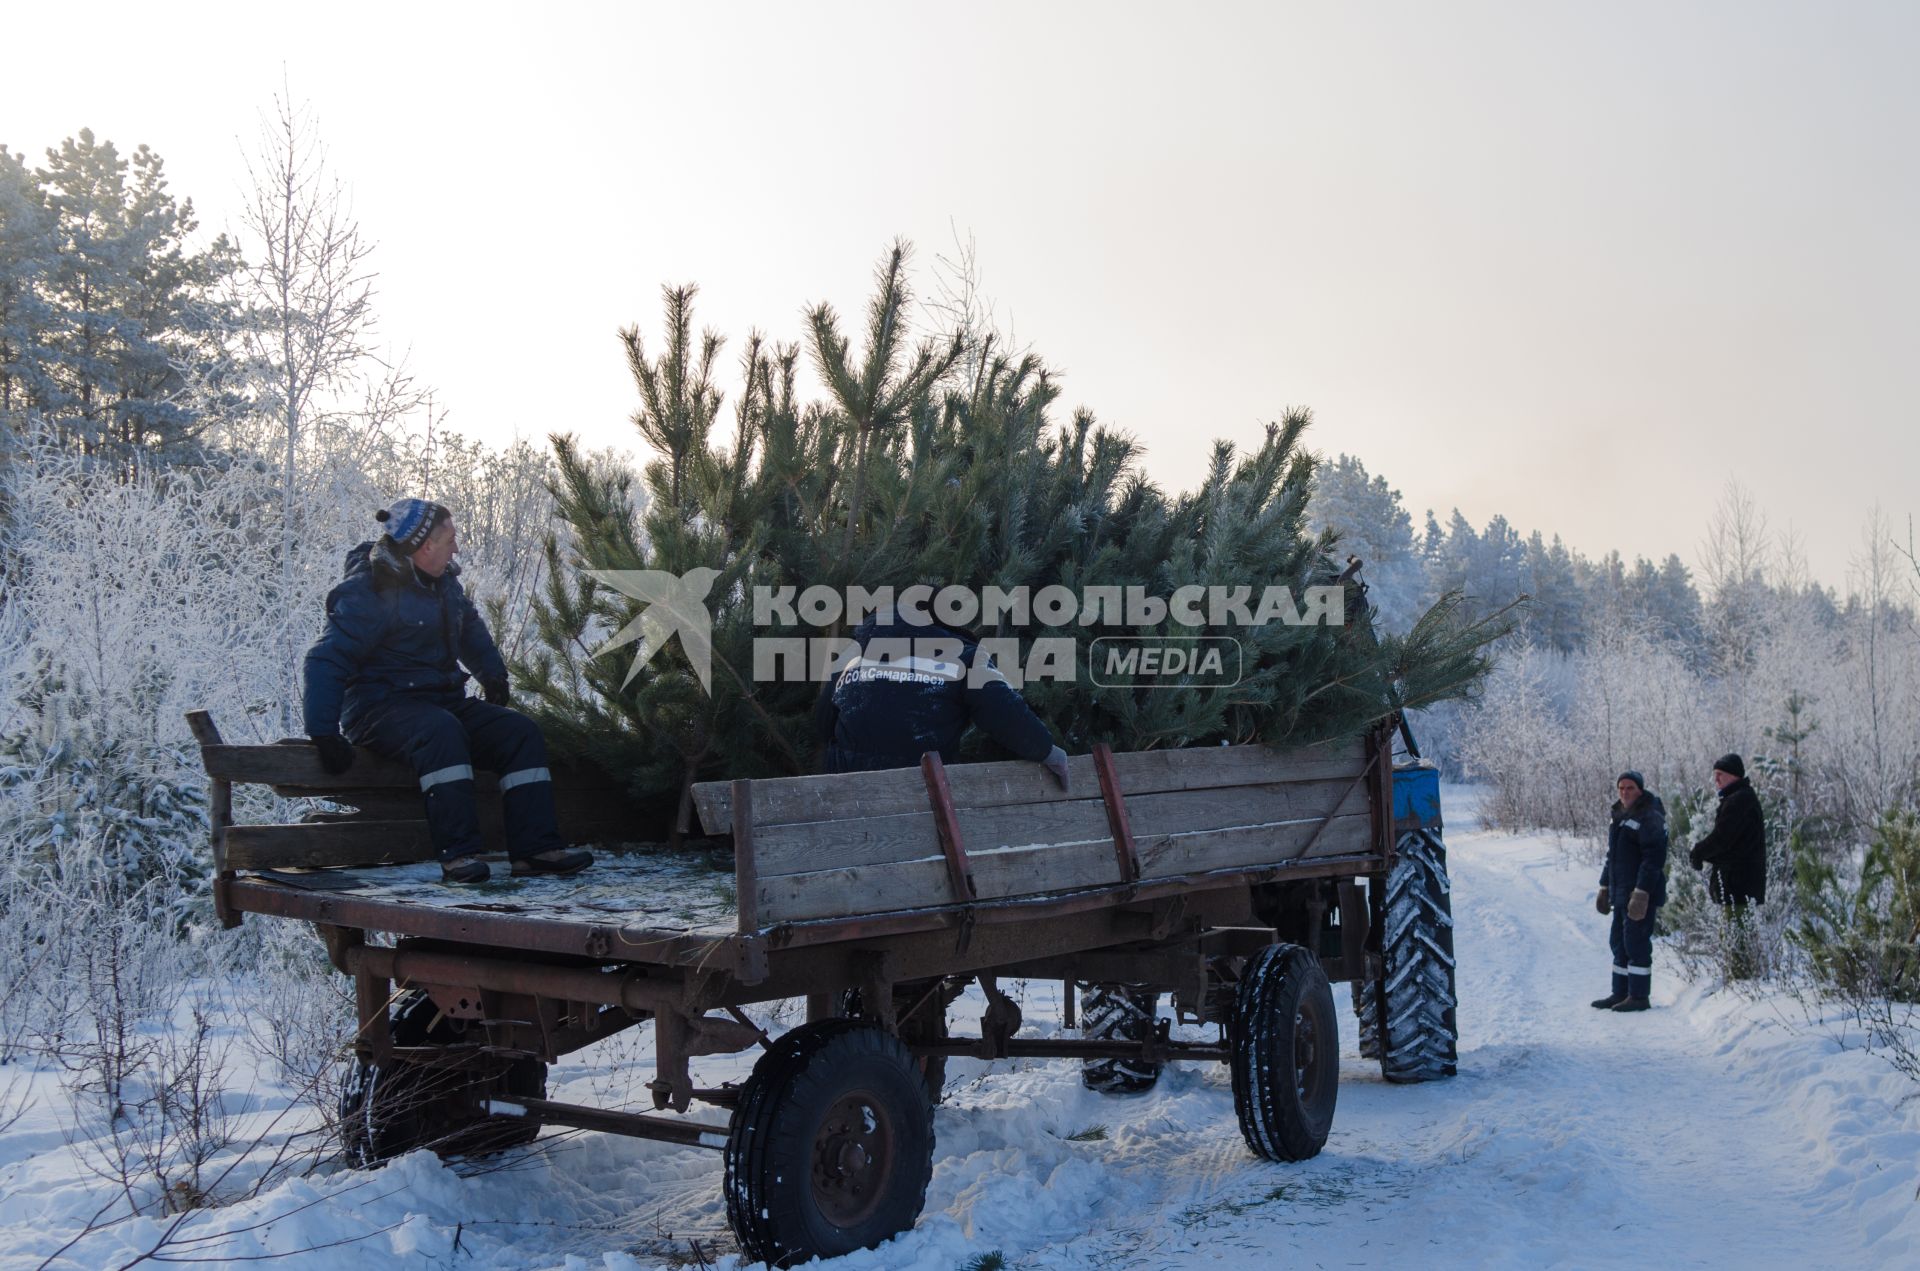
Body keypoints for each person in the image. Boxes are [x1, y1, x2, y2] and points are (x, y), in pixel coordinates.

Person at [303, 499, 593, 884]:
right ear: (425, 546)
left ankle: (536, 850)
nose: (456, 547)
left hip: (441, 703)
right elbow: (325, 660)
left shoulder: (444, 585)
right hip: (379, 709)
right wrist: (323, 731)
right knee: (441, 731)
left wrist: (493, 675)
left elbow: (470, 627)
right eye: (450, 539)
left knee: (518, 732)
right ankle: (459, 855)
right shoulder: (368, 592)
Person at [816, 598, 1071, 787]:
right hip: (919, 793)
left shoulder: (853, 655)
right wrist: (1048, 752)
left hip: (843, 791)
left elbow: (821, 722)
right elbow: (1002, 710)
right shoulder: (963, 656)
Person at [1593, 770, 1667, 1012]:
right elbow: (1612, 856)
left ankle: (1638, 996)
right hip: (1621, 892)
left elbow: (1653, 859)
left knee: (1636, 943)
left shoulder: (1650, 816)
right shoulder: (1620, 815)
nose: (1625, 792)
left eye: (1630, 788)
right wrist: (1604, 886)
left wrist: (1642, 892)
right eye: (1621, 788)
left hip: (1639, 895)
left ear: (1640, 790)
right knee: (1618, 942)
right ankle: (1620, 992)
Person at [1689, 753, 1766, 906]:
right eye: (1714, 775)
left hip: (1737, 888)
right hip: (1740, 888)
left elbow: (1721, 839)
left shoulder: (1738, 800)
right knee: (1738, 928)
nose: (1715, 779)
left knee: (1736, 928)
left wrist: (1698, 852)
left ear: (1734, 775)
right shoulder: (1740, 797)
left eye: (1720, 774)